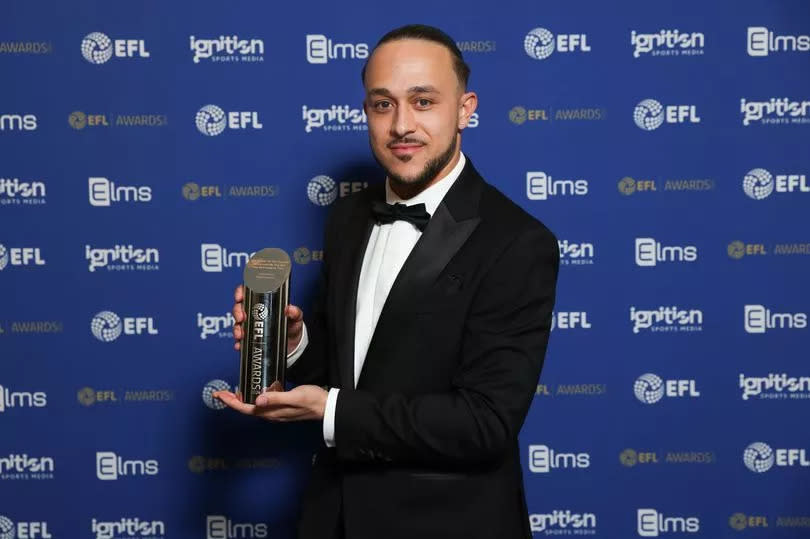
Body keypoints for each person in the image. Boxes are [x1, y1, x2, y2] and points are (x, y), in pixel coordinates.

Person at [215, 24, 559, 539]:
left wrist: (331, 410)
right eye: (382, 104)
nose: (401, 125)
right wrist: (294, 345)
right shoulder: (349, 218)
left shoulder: (518, 242)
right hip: (334, 517)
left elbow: (485, 422)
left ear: (465, 109)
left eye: (423, 101)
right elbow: (356, 369)